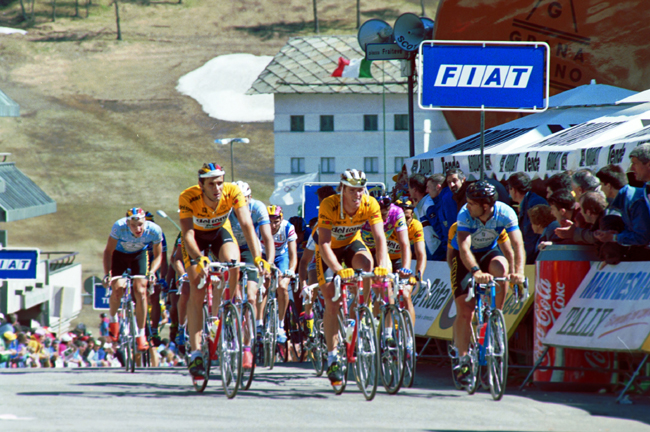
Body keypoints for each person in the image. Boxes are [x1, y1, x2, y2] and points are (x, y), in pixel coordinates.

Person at [178, 163, 270, 380]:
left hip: (220, 232)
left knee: (234, 263)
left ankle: (226, 309)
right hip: (195, 240)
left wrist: (258, 258)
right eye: (212, 184)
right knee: (197, 287)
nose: (217, 188)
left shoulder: (232, 192)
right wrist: (199, 257)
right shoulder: (188, 197)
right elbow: (188, 234)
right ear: (201, 185)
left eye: (220, 183)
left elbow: (247, 225)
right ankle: (196, 352)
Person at [316, 169, 389, 387]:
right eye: (353, 190)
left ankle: (361, 311)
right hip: (330, 251)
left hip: (351, 244)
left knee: (368, 265)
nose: (358, 194)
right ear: (343, 189)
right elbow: (324, 244)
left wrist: (382, 265)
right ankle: (332, 357)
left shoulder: (370, 204)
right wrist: (338, 269)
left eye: (360, 189)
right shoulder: (329, 205)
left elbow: (379, 238)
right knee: (332, 300)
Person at [450, 181, 525, 385]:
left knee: (501, 268)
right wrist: (475, 272)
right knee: (465, 312)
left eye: (471, 203)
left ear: (485, 206)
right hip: (466, 258)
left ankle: (495, 315)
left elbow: (517, 245)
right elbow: (464, 248)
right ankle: (463, 358)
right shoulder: (465, 214)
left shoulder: (505, 213)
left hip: (489, 252)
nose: (467, 205)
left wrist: (518, 272)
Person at [103, 207, 163, 352]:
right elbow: (108, 251)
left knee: (141, 291)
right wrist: (107, 274)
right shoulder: (119, 227)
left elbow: (158, 255)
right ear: (127, 223)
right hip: (119, 256)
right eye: (134, 225)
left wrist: (152, 272)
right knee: (118, 290)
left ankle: (140, 334)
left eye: (141, 224)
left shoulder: (154, 230)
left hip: (139, 256)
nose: (138, 228)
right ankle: (113, 320)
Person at [228, 180, 274, 369]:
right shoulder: (226, 209)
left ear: (250, 198)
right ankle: (226, 328)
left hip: (248, 248)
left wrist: (268, 264)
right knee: (232, 293)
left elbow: (268, 238)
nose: (241, 204)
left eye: (244, 199)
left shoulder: (257, 208)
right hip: (228, 246)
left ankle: (247, 347)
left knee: (252, 296)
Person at [594, 159, 650, 253]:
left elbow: (642, 237)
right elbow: (633, 231)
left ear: (608, 185)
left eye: (601, 185)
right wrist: (616, 234)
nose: (601, 190)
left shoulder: (634, 201)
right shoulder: (625, 199)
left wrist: (613, 237)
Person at [262, 205, 297, 345]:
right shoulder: (261, 227)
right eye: (269, 221)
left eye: (276, 221)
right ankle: (261, 320)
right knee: (265, 283)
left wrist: (291, 270)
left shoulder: (288, 227)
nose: (272, 225)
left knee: (282, 287)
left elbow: (293, 254)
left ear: (281, 219)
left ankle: (280, 326)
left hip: (282, 257)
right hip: (264, 255)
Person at [395, 198, 426, 324]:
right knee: (385, 293)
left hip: (400, 260)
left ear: (412, 215)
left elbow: (421, 254)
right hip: (385, 258)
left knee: (406, 295)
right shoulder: (388, 223)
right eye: (400, 218)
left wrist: (418, 276)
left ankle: (409, 339)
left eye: (407, 218)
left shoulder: (416, 226)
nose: (404, 222)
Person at [507, 172, 548, 264]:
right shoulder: (528, 202)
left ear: (514, 190)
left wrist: (524, 260)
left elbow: (532, 237)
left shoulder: (534, 203)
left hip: (535, 259)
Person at [144, 211, 169, 347]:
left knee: (155, 295)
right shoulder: (134, 232)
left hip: (153, 261)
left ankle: (154, 329)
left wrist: (163, 278)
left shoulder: (158, 234)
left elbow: (163, 259)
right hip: (137, 260)